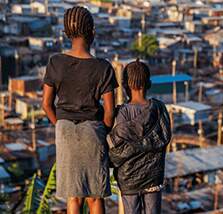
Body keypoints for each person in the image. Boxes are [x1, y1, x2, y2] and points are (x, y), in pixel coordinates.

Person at [42, 6, 117, 214]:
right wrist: (102, 131)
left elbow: (46, 104)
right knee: (95, 196)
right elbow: (110, 112)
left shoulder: (55, 62)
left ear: (66, 33)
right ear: (92, 32)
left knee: (73, 196)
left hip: (65, 131)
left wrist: (61, 125)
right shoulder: (103, 67)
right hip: (92, 131)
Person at [107, 59, 171, 214]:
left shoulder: (122, 113)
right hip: (153, 176)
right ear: (148, 83)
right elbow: (164, 138)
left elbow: (117, 147)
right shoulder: (159, 108)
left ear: (125, 85)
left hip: (128, 178)